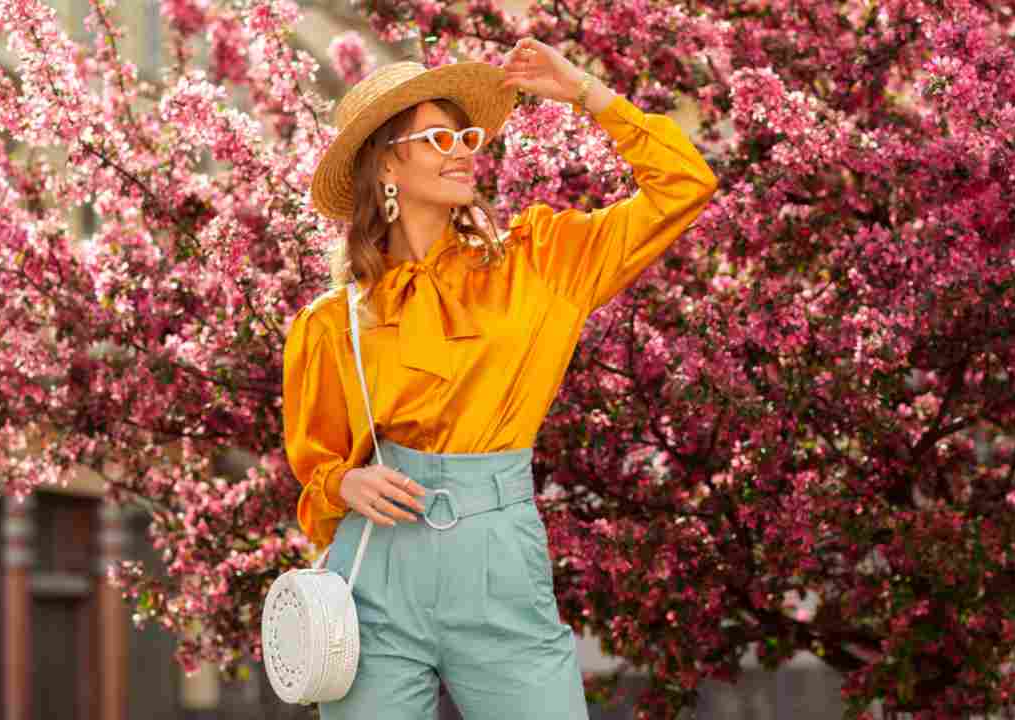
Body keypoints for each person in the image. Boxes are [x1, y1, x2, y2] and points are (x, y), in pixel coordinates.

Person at [281, 35, 717, 720]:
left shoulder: (540, 261)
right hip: (374, 576)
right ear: (384, 165)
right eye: (435, 138)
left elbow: (685, 185)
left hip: (499, 560)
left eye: (467, 135)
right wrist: (345, 481)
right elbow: (316, 470)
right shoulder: (333, 321)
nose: (462, 150)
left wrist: (587, 93)